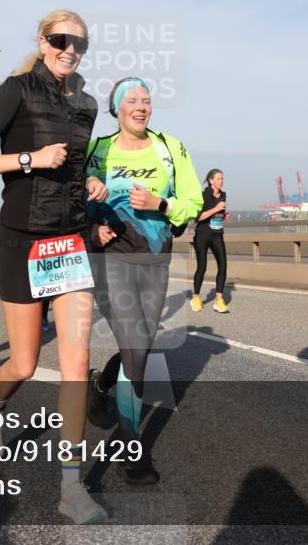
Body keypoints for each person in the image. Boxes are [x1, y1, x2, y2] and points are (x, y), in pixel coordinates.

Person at [0, 9, 109, 524]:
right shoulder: (16, 90)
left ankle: (72, 488)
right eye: (62, 40)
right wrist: (28, 160)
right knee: (23, 364)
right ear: (44, 42)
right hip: (21, 240)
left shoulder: (87, 105)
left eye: (80, 44)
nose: (71, 49)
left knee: (75, 361)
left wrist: (91, 182)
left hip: (68, 240)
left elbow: (79, 163)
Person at [84, 77, 203, 485]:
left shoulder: (170, 148)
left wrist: (161, 203)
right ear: (116, 108)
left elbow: (194, 200)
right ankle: (131, 448)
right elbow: (71, 196)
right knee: (135, 349)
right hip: (111, 255)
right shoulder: (97, 150)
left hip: (155, 258)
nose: (141, 106)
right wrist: (91, 216)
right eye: (132, 100)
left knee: (141, 348)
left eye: (146, 100)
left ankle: (101, 386)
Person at [190, 169, 230, 313]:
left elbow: (217, 213)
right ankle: (196, 297)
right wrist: (216, 209)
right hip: (202, 235)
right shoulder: (203, 195)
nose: (221, 181)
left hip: (217, 234)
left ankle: (219, 300)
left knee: (223, 265)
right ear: (211, 180)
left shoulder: (223, 195)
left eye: (222, 178)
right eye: (218, 179)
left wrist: (223, 215)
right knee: (202, 267)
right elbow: (198, 218)